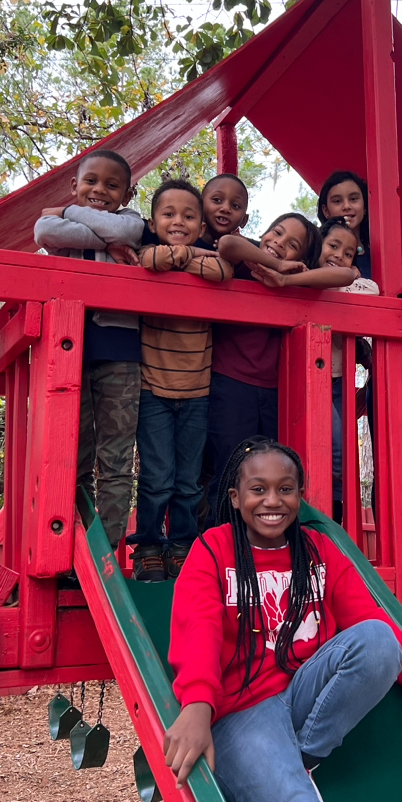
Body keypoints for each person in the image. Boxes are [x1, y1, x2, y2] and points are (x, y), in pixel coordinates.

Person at [164, 437, 402, 802]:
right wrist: (196, 706)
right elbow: (199, 630)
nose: (273, 501)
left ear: (299, 495)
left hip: (302, 694)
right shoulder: (214, 549)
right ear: (236, 497)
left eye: (285, 489)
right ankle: (282, 772)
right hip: (242, 713)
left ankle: (301, 759)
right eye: (258, 489)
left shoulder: (318, 551)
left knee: (378, 639)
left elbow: (376, 624)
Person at [33, 148, 145, 549]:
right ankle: (72, 547)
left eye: (112, 185)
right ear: (74, 186)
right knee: (71, 455)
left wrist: (66, 211)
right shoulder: (54, 221)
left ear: (128, 195)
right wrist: (99, 232)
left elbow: (128, 234)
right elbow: (46, 234)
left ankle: (106, 550)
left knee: (116, 458)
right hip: (67, 353)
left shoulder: (131, 221)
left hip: (121, 352)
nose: (100, 190)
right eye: (91, 182)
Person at [129, 179, 234, 581]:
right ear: (152, 222)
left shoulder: (207, 258)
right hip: (153, 389)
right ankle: (150, 546)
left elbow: (221, 268)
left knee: (189, 479)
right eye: (168, 214)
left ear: (202, 224)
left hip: (197, 392)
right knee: (157, 477)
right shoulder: (148, 253)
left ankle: (185, 543)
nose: (179, 221)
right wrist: (175, 256)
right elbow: (150, 261)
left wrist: (183, 255)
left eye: (189, 216)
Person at [251, 218, 376, 526]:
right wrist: (289, 277)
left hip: (340, 382)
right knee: (328, 452)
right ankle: (316, 523)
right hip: (306, 380)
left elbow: (354, 280)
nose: (339, 255)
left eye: (348, 252)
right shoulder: (303, 275)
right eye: (333, 246)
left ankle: (330, 522)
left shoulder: (339, 281)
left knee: (340, 458)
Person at [207, 213, 335, 502]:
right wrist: (275, 264)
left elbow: (346, 275)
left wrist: (285, 279)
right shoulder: (248, 260)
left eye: (291, 244)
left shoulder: (297, 278)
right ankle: (222, 541)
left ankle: (261, 542)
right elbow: (228, 243)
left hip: (276, 391)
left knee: (272, 470)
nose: (277, 243)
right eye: (275, 232)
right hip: (231, 381)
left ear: (301, 258)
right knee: (230, 467)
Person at [317, 171, 371, 279]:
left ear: (365, 207)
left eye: (353, 199)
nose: (346, 206)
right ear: (326, 211)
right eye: (337, 201)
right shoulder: (313, 246)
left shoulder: (380, 257)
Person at [200, 173, 251, 245]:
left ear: (244, 220)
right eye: (217, 200)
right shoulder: (183, 241)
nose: (226, 208)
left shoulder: (245, 252)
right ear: (199, 205)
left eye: (235, 205)